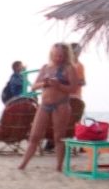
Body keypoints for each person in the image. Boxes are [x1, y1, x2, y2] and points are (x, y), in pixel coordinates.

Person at [19, 43, 78, 172]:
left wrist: (58, 85)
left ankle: (59, 166)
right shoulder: (45, 68)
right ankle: (23, 164)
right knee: (34, 135)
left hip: (61, 104)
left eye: (61, 55)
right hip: (45, 104)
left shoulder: (69, 68)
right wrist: (44, 83)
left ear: (66, 55)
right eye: (56, 55)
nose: (58, 58)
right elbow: (33, 86)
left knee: (58, 137)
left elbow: (73, 88)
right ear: (52, 54)